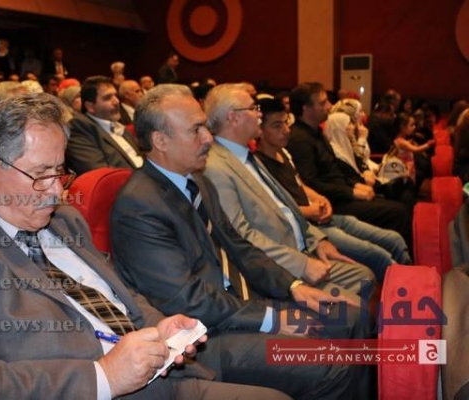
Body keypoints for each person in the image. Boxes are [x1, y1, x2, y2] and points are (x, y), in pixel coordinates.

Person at [0, 92, 286, 400]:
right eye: (41, 174)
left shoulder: (63, 218)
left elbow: (120, 295)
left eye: (60, 172)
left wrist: (158, 326)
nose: (55, 191)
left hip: (159, 372)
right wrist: (104, 376)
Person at [110, 84, 371, 400]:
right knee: (331, 365)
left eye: (205, 126)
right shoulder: (139, 206)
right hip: (204, 337)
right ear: (160, 141)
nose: (208, 138)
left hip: (238, 304)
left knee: (352, 318)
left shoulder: (196, 181)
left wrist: (294, 287)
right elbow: (187, 300)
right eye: (196, 130)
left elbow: (239, 247)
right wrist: (271, 319)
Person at [202, 84, 376, 293]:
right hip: (279, 267)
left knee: (365, 277)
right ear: (233, 117)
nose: (259, 114)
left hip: (302, 247)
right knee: (358, 293)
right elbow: (241, 235)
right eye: (253, 108)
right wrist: (302, 264)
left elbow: (285, 207)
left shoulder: (246, 155)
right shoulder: (215, 167)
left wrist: (317, 240)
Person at [255, 97, 412, 283]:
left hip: (324, 217)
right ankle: (406, 291)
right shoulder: (258, 165)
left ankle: (415, 281)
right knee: (378, 255)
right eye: (277, 126)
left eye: (285, 123)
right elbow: (273, 209)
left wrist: (321, 199)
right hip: (308, 228)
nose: (286, 130)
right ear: (259, 130)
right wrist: (309, 210)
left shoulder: (283, 152)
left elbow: (300, 185)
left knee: (394, 239)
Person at [286, 82, 413, 249]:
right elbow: (311, 183)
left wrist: (354, 184)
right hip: (332, 203)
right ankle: (397, 262)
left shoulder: (316, 133)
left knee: (400, 199)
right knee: (398, 213)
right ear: (306, 109)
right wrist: (351, 192)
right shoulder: (299, 139)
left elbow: (336, 168)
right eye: (323, 103)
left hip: (341, 194)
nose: (329, 106)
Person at [66, 76, 143, 175]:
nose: (116, 101)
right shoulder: (79, 127)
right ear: (90, 106)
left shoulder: (117, 125)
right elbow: (101, 174)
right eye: (107, 98)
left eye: (115, 95)